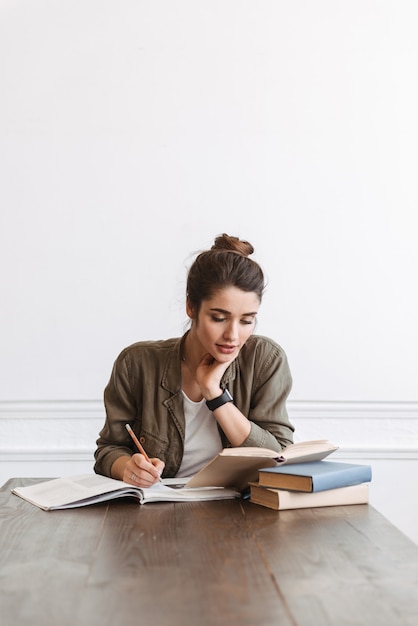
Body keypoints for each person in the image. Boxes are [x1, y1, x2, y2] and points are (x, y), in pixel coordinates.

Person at [94, 233, 294, 487]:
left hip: (241, 512)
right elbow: (108, 450)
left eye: (246, 320)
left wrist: (215, 395)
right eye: (219, 318)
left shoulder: (265, 359)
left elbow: (279, 458)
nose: (233, 335)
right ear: (191, 307)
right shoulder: (136, 364)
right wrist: (129, 468)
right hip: (159, 511)